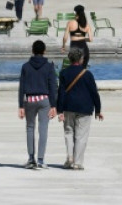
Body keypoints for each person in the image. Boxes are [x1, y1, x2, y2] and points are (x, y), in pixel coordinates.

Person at [57, 47, 102, 170]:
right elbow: (94, 93)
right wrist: (98, 110)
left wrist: (59, 111)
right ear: (81, 59)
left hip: (68, 107)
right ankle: (77, 162)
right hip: (84, 108)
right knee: (81, 136)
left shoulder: (64, 73)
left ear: (69, 59)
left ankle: (70, 157)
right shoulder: (87, 74)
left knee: (68, 132)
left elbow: (61, 93)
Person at [18, 40, 57, 169]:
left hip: (29, 100)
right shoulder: (49, 66)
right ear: (44, 51)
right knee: (43, 129)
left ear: (32, 51)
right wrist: (54, 105)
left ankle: (31, 159)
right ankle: (40, 159)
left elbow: (21, 87)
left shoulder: (25, 66)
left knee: (30, 128)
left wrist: (21, 106)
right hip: (44, 100)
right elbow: (53, 87)